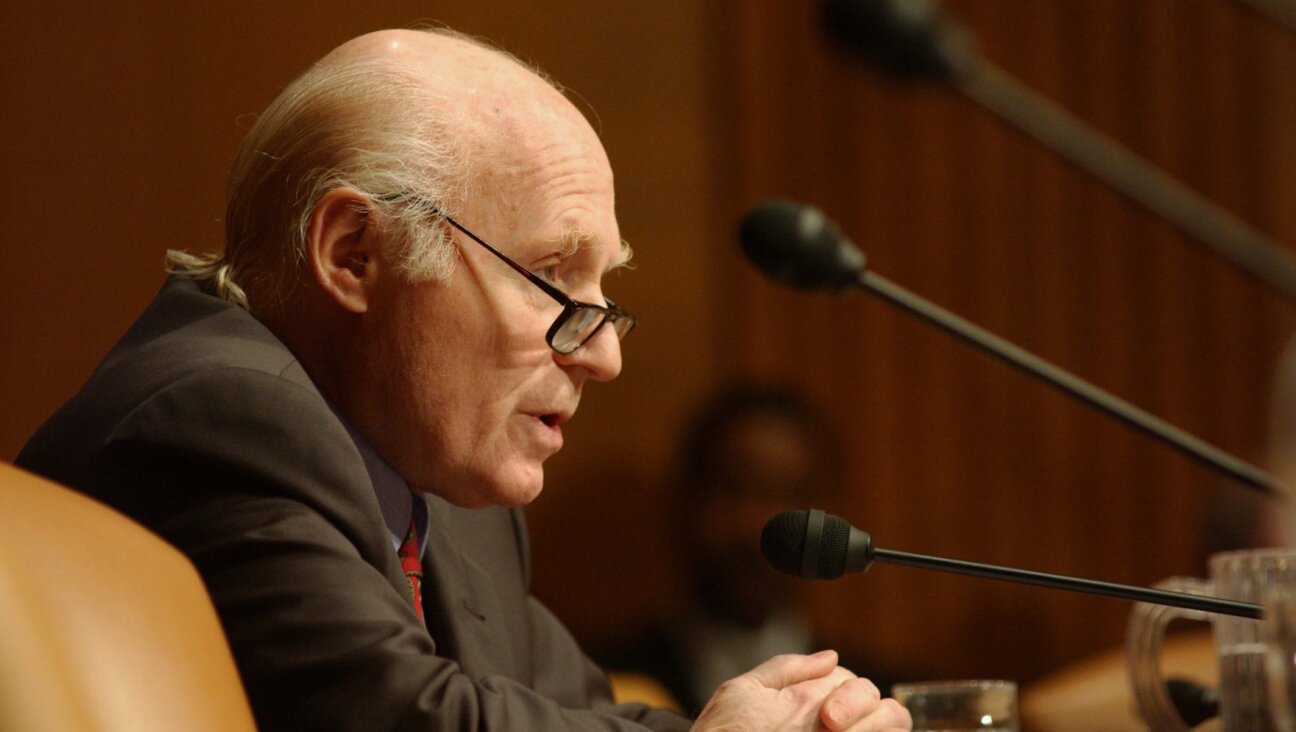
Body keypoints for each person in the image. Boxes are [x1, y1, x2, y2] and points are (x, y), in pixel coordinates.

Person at [15, 27, 910, 732]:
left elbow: (576, 714)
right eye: (556, 277)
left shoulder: (437, 474)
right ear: (353, 255)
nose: (604, 355)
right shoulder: (216, 422)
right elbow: (396, 721)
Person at [600, 384, 905, 714]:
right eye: (733, 491)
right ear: (685, 500)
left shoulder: (883, 700)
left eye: (789, 497)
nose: (757, 525)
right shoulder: (603, 690)